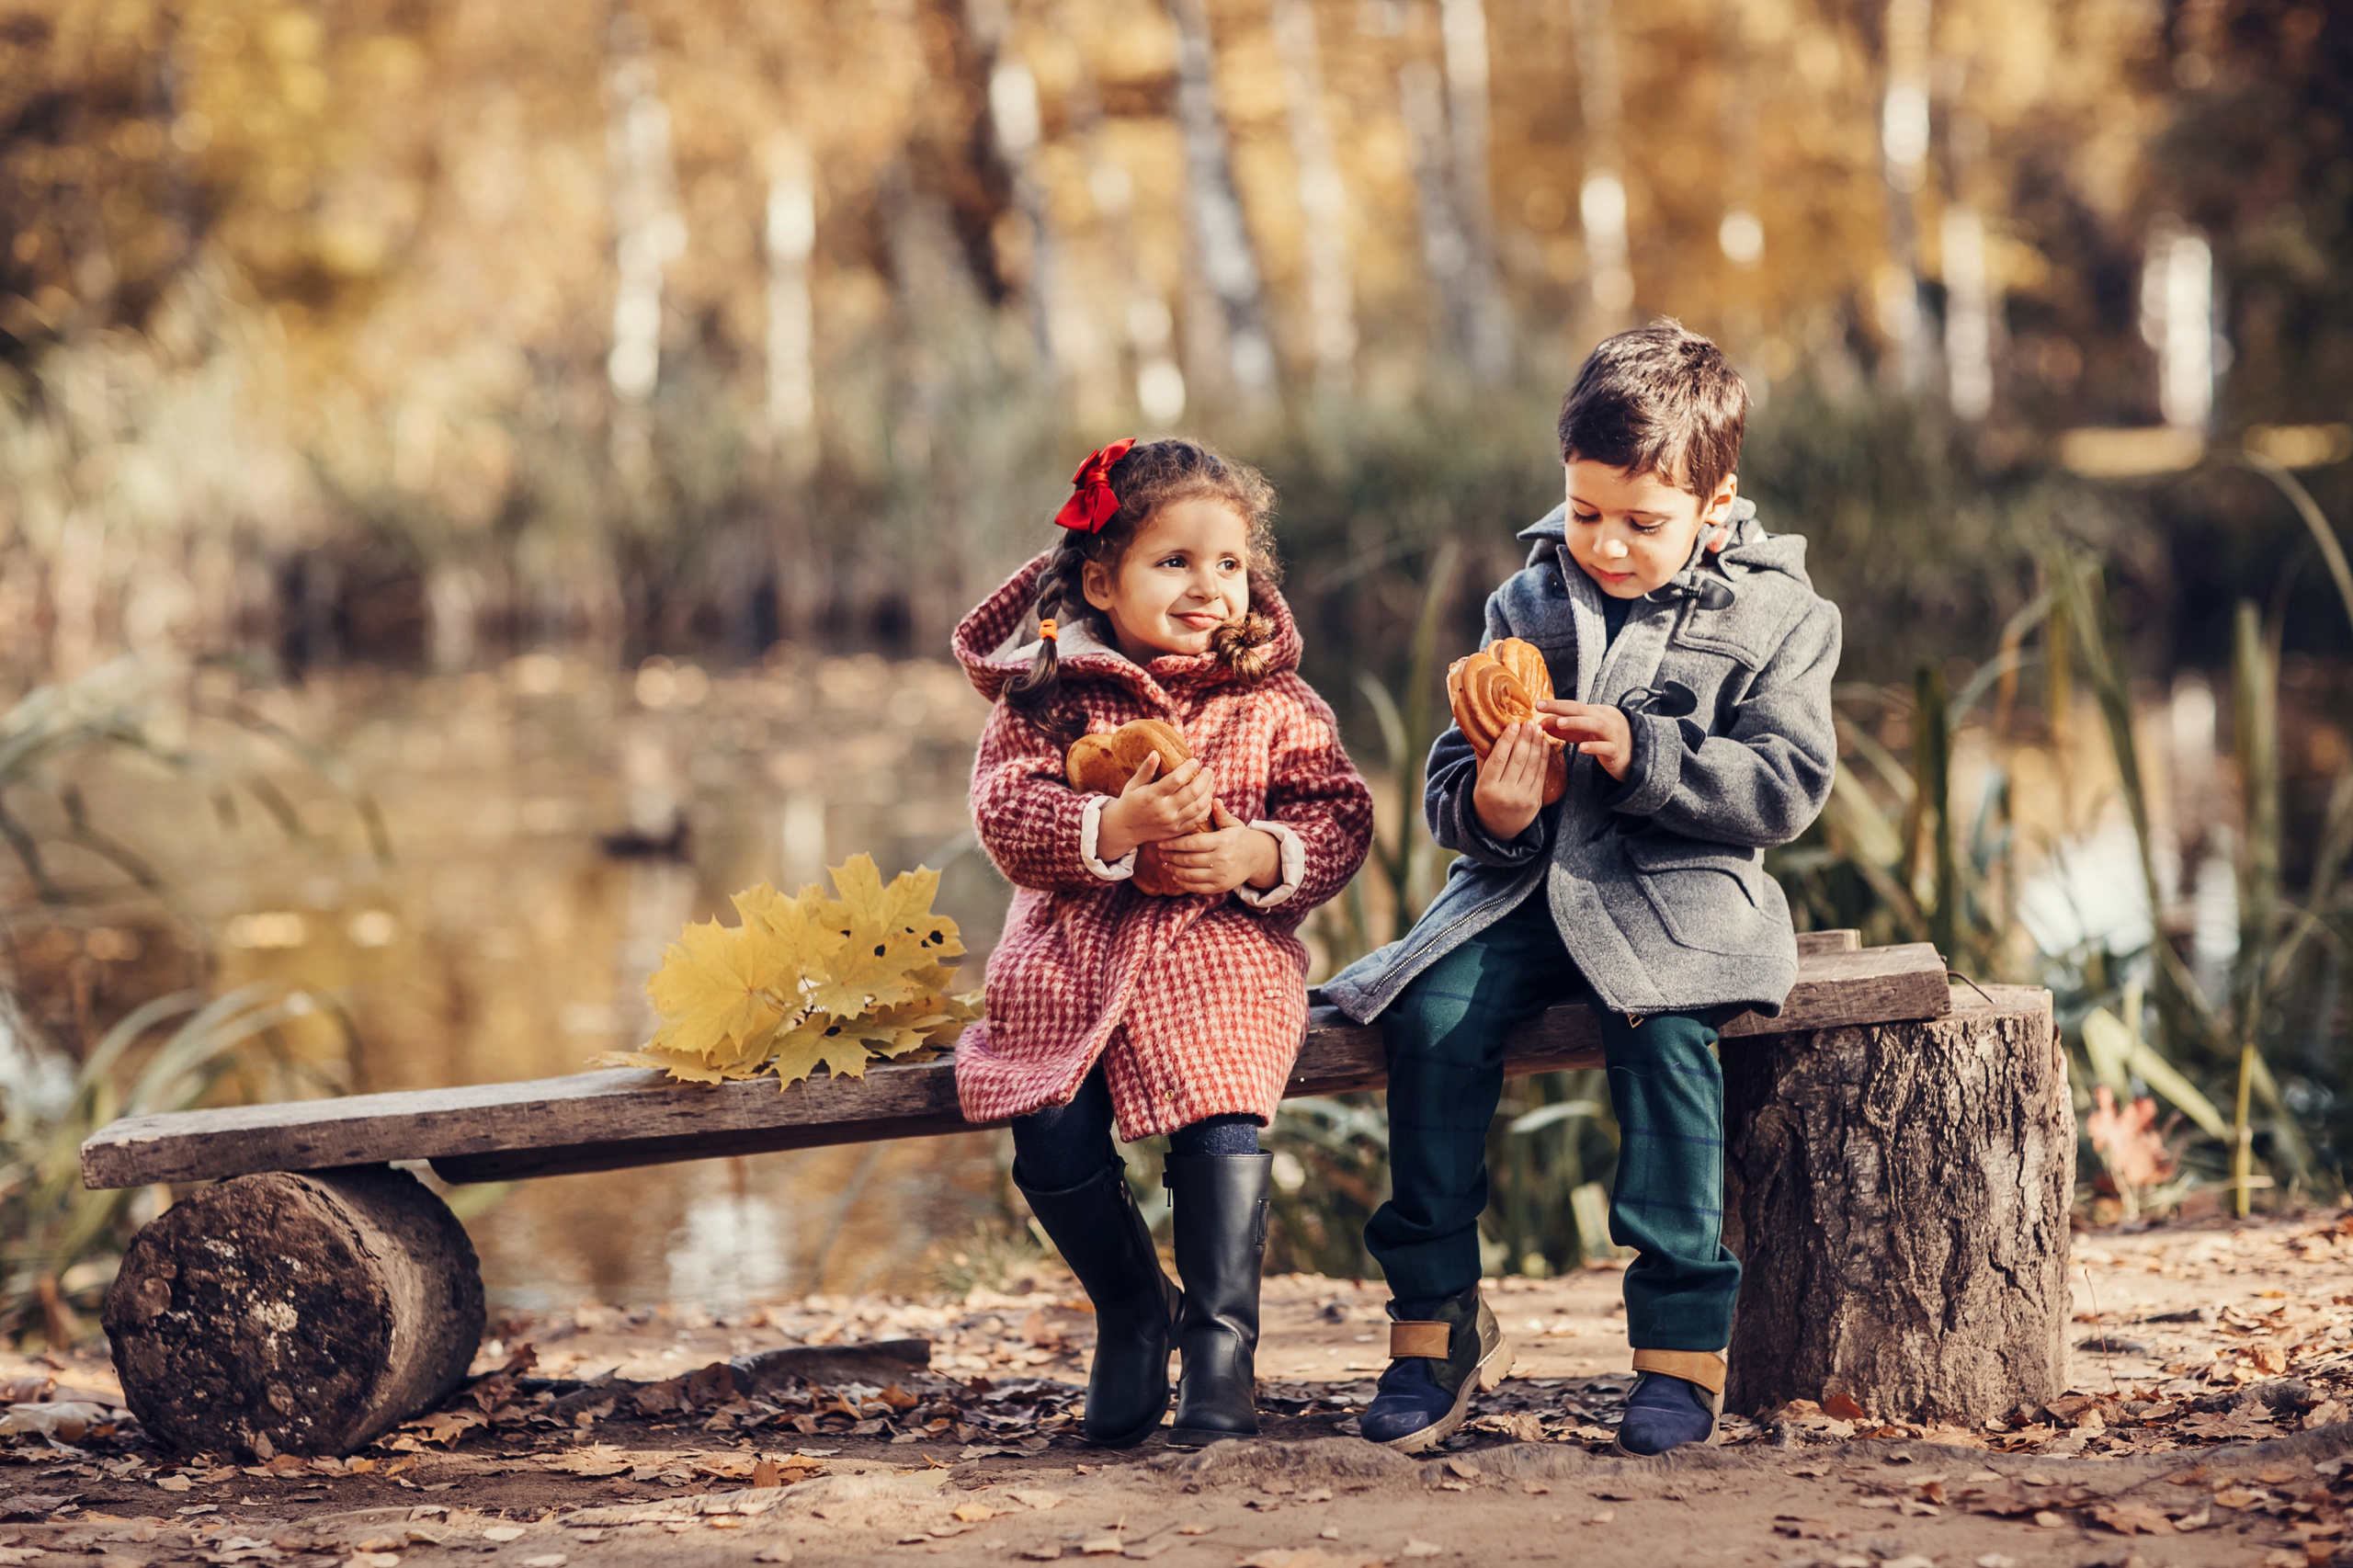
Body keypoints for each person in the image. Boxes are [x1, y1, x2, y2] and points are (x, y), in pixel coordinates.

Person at [1324, 321, 1841, 1456]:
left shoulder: (1783, 616)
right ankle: (1436, 1325)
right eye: (1584, 511)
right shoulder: (1524, 604)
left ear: (1715, 504)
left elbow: (1786, 786)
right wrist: (1498, 811)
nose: (1606, 544)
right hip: (1521, 894)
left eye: (1641, 523)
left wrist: (1642, 752)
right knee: (1431, 1016)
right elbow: (1449, 783)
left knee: (1663, 1033)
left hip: (1677, 896)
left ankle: (1679, 1348)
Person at [951, 437, 1374, 1449]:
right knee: (1047, 1118)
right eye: (1173, 561)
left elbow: (1339, 817)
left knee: (1222, 1103)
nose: (1206, 586)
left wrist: (1256, 852)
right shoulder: (1051, 696)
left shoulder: (1275, 702)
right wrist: (1110, 827)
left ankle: (1223, 1348)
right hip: (1074, 947)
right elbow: (1004, 814)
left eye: (1227, 563)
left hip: (1217, 947)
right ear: (1102, 580)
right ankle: (1136, 1311)